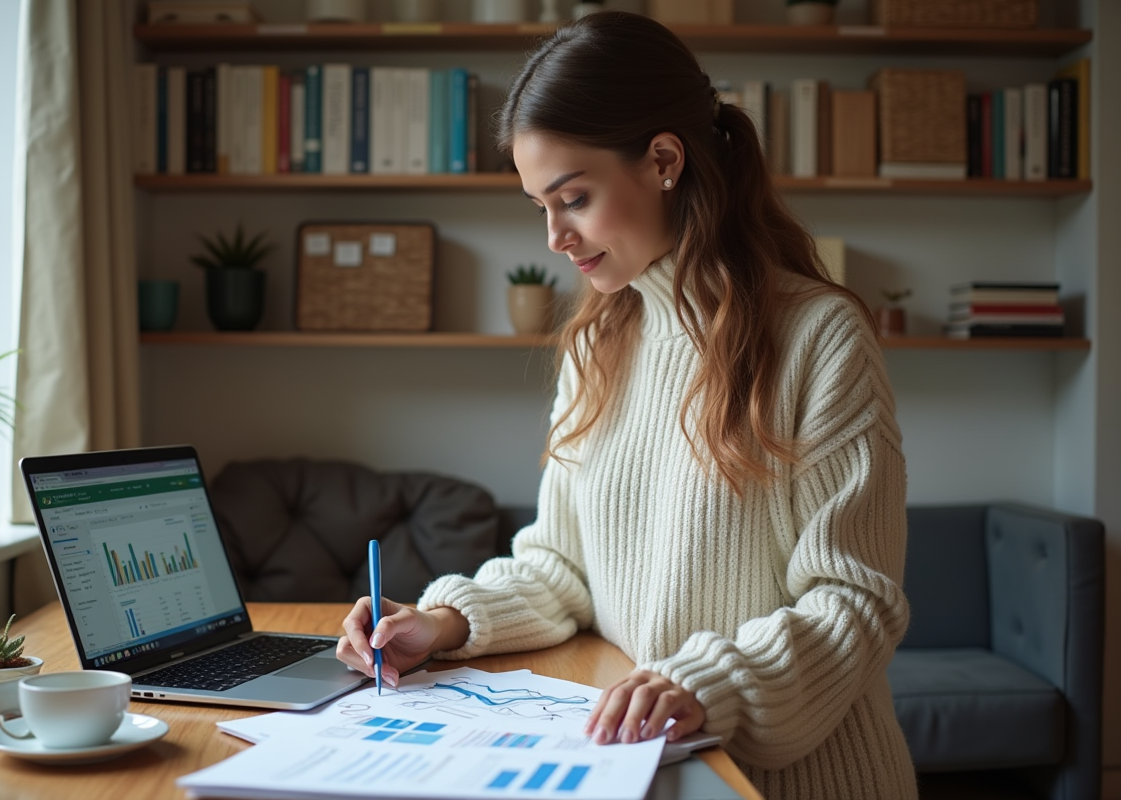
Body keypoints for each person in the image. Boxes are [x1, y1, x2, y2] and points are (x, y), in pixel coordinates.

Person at [337, 11, 916, 799]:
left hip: (795, 781)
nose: (555, 237)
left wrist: (705, 685)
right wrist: (441, 624)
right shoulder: (598, 344)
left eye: (574, 198)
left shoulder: (819, 335)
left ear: (665, 161)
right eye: (540, 206)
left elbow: (855, 602)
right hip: (642, 766)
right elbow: (561, 567)